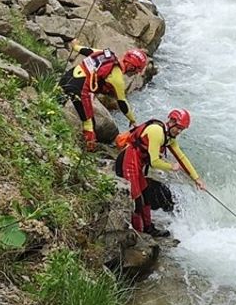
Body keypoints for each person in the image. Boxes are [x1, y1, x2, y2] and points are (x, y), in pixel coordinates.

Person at [114, 108, 206, 237]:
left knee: (145, 195)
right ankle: (138, 234)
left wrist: (197, 179)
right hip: (127, 161)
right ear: (172, 122)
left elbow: (182, 158)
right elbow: (154, 162)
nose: (179, 131)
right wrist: (170, 166)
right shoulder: (156, 131)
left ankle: (148, 229)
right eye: (178, 128)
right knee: (136, 200)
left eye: (182, 129)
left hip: (137, 164)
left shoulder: (169, 138)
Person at [60, 41, 148, 151]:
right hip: (80, 90)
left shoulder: (107, 54)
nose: (135, 74)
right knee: (89, 123)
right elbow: (122, 102)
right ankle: (86, 152)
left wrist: (75, 46)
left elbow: (89, 51)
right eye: (136, 71)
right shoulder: (118, 79)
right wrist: (133, 120)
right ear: (132, 68)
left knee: (58, 101)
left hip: (67, 77)